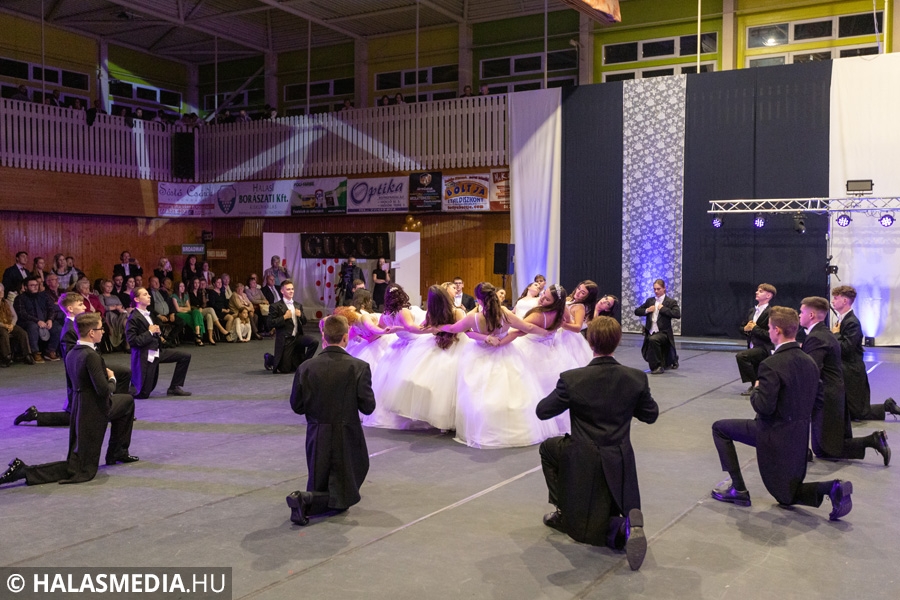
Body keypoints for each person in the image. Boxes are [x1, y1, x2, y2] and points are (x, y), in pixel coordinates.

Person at [710, 307, 854, 521]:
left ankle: (738, 489)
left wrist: (756, 389)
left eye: (769, 328)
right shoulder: (809, 362)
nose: (768, 331)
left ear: (777, 330)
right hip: (799, 435)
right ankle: (831, 488)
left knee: (719, 428)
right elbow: (818, 400)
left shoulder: (771, 364)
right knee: (786, 496)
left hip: (772, 432)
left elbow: (763, 407)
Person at [537, 316, 658, 570]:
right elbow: (651, 415)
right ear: (618, 341)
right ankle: (624, 524)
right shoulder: (635, 378)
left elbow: (543, 411)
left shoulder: (572, 379)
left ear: (590, 342)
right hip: (620, 456)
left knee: (548, 448)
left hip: (583, 456)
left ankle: (563, 512)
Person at [0, 312, 137, 489]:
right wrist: (112, 379)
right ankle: (25, 471)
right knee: (80, 467)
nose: (103, 331)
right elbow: (103, 391)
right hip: (94, 409)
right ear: (91, 333)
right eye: (100, 328)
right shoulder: (91, 356)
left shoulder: (73, 352)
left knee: (126, 402)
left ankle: (118, 451)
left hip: (80, 406)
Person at [286, 315, 376, 526]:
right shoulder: (359, 367)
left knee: (321, 481)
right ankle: (305, 499)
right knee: (344, 494)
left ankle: (308, 499)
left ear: (323, 337)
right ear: (345, 337)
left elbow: (297, 406)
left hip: (317, 433)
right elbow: (368, 406)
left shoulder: (306, 367)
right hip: (348, 433)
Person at [443, 283, 558, 448]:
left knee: (479, 394)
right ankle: (516, 430)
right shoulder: (505, 313)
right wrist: (546, 332)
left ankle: (484, 430)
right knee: (512, 393)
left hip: (479, 356)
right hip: (506, 353)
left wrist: (435, 326)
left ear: (478, 300)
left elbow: (454, 328)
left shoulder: (473, 317)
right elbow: (527, 327)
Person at [799, 297, 890, 465]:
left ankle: (873, 440)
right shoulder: (823, 333)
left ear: (811, 315)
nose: (799, 315)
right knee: (822, 449)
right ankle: (873, 438)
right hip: (833, 393)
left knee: (829, 449)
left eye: (802, 312)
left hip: (827, 396)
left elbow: (812, 370)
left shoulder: (817, 336)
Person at [831, 285, 900, 421]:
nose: (833, 301)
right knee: (853, 412)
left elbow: (846, 348)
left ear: (845, 301)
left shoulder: (852, 322)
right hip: (846, 368)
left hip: (852, 370)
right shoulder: (842, 320)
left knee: (858, 413)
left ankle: (887, 406)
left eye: (836, 298)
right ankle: (887, 406)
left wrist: (836, 335)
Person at [126, 287, 192, 399]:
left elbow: (152, 332)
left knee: (185, 356)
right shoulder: (133, 318)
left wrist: (157, 333)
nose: (149, 296)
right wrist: (150, 332)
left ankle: (174, 387)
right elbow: (132, 341)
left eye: (148, 294)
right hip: (146, 355)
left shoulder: (149, 314)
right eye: (145, 294)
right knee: (143, 394)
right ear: (137, 299)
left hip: (156, 351)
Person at [269, 280, 318, 374]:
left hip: (297, 337)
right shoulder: (276, 306)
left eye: (292, 289)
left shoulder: (298, 305)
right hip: (286, 339)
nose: (291, 291)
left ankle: (304, 364)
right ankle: (270, 358)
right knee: (285, 369)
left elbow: (304, 322)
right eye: (288, 289)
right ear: (282, 291)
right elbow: (270, 323)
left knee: (314, 342)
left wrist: (300, 315)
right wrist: (284, 317)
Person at [735, 284, 776, 395]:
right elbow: (742, 327)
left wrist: (754, 328)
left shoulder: (771, 313)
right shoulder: (752, 311)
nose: (757, 292)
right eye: (757, 290)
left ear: (768, 295)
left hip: (765, 346)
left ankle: (756, 385)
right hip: (752, 344)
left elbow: (770, 335)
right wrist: (745, 329)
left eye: (761, 291)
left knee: (742, 356)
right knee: (755, 365)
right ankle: (755, 385)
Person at [634, 279, 680, 374]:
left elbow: (677, 314)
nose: (656, 291)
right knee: (649, 346)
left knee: (653, 340)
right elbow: (637, 311)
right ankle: (672, 359)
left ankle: (657, 366)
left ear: (664, 288)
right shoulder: (650, 301)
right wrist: (647, 310)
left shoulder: (670, 302)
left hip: (664, 332)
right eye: (654, 289)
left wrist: (663, 309)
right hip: (650, 331)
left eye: (658, 289)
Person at [13, 276, 62, 362]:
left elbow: (51, 309)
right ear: (25, 287)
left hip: (45, 320)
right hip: (28, 321)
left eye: (36, 285)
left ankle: (50, 351)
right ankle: (35, 352)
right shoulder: (20, 298)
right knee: (33, 326)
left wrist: (50, 319)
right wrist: (37, 321)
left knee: (57, 327)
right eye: (32, 285)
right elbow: (22, 314)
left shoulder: (44, 296)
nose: (35, 287)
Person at [0, 282, 32, 367]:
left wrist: (12, 324)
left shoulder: (7, 302)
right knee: (4, 334)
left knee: (22, 333)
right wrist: (4, 325)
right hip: (1, 325)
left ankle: (27, 354)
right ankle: (7, 356)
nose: (1, 293)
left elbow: (14, 316)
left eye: (2, 291)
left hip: (9, 323)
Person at [171, 280, 205, 346]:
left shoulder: (185, 295)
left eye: (183, 286)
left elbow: (189, 308)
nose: (182, 288)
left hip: (186, 312)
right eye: (180, 286)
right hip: (179, 314)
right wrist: (185, 309)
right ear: (177, 287)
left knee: (196, 312)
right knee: (194, 318)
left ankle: (197, 333)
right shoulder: (174, 296)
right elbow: (178, 310)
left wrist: (182, 308)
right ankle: (198, 337)